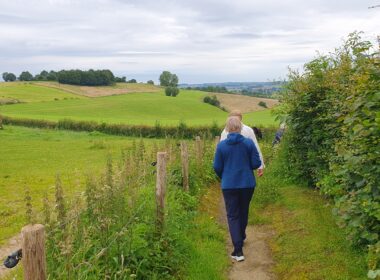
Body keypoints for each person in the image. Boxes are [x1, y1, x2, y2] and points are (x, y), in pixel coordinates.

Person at [213, 116, 261, 262]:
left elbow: (217, 167)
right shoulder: (248, 143)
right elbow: (255, 163)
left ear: (227, 129)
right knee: (243, 210)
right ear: (240, 128)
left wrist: (225, 175)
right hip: (247, 183)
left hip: (229, 185)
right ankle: (241, 237)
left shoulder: (221, 146)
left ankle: (238, 250)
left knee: (233, 215)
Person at [220, 110, 265, 177]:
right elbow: (221, 151)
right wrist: (260, 166)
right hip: (241, 167)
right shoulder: (224, 132)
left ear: (241, 119)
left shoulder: (248, 130)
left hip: (236, 167)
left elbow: (255, 146)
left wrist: (260, 165)